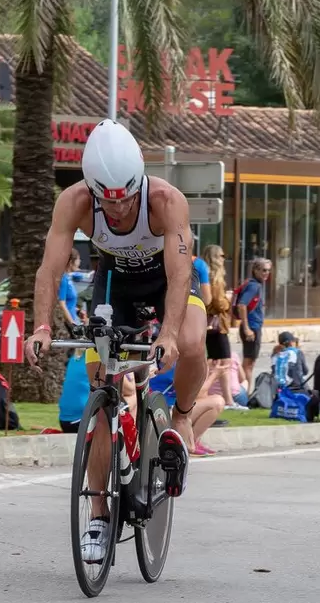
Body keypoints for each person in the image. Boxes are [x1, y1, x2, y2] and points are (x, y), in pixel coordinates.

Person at [24, 119, 208, 563]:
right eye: (108, 202)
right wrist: (43, 327)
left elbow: (181, 274)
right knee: (100, 386)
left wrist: (166, 334)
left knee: (190, 340)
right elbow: (49, 270)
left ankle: (181, 418)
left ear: (138, 182)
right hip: (115, 288)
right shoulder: (75, 202)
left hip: (166, 286)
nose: (119, 209)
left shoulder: (166, 201)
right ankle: (100, 513)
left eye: (125, 198)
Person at [203, 244, 233, 402]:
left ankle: (225, 399)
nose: (223, 259)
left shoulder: (205, 274)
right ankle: (227, 400)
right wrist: (228, 300)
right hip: (217, 325)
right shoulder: (215, 277)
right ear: (214, 257)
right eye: (221, 255)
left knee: (214, 361)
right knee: (224, 361)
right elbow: (218, 302)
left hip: (209, 324)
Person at [237, 258, 272, 393]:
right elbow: (242, 305)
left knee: (248, 363)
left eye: (268, 270)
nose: (266, 273)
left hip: (253, 327)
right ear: (255, 270)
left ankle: (243, 392)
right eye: (263, 270)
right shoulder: (254, 286)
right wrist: (247, 328)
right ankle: (245, 394)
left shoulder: (255, 284)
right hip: (252, 328)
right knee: (248, 364)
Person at [58, 248, 82, 328]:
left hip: (73, 319)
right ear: (71, 262)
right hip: (67, 324)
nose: (79, 262)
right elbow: (62, 304)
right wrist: (72, 324)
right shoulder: (63, 279)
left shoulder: (68, 278)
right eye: (78, 259)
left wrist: (78, 311)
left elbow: (69, 304)